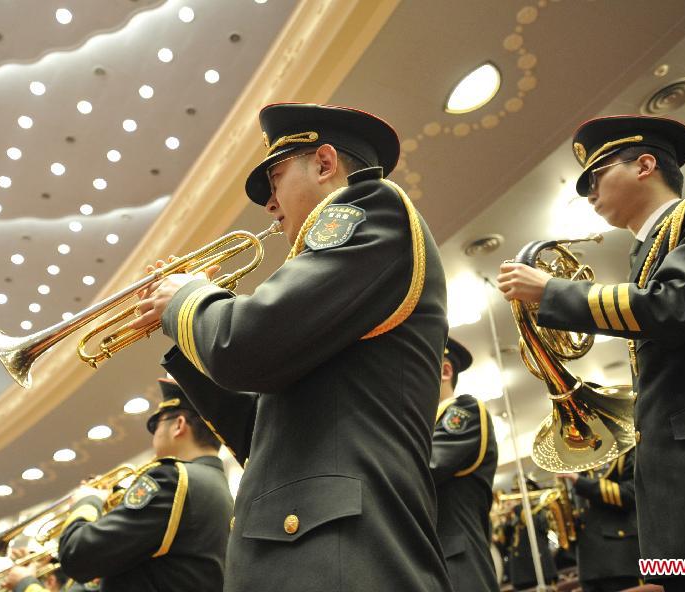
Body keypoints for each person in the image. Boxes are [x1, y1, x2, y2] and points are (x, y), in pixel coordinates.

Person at [133, 103, 452, 591]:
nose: (268, 202)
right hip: (305, 550)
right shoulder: (334, 288)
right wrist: (182, 328)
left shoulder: (369, 208)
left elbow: (246, 345)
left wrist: (190, 300)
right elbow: (258, 437)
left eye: (275, 176)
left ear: (324, 165)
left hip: (338, 554)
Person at [496, 115, 685, 591]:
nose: (588, 192)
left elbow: (676, 306)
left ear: (644, 164)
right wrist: (662, 557)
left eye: (595, 176)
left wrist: (554, 292)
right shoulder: (646, 256)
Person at [53, 378, 232, 591]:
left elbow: (78, 556)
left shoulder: (171, 478)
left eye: (156, 424)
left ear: (178, 425)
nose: (154, 434)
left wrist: (87, 502)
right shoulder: (217, 487)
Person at [432, 337, 499, 591]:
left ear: (445, 371)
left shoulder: (465, 411)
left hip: (458, 564)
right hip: (436, 559)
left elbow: (428, 465)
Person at [558, 449, 642, 592]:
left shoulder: (623, 453)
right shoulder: (579, 464)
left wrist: (582, 483)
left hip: (619, 559)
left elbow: (630, 495)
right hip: (588, 564)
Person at [499, 479, 557, 591]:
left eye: (518, 493)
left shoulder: (540, 509)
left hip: (539, 569)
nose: (515, 498)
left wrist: (518, 508)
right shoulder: (515, 516)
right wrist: (506, 521)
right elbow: (506, 544)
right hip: (520, 574)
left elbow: (533, 525)